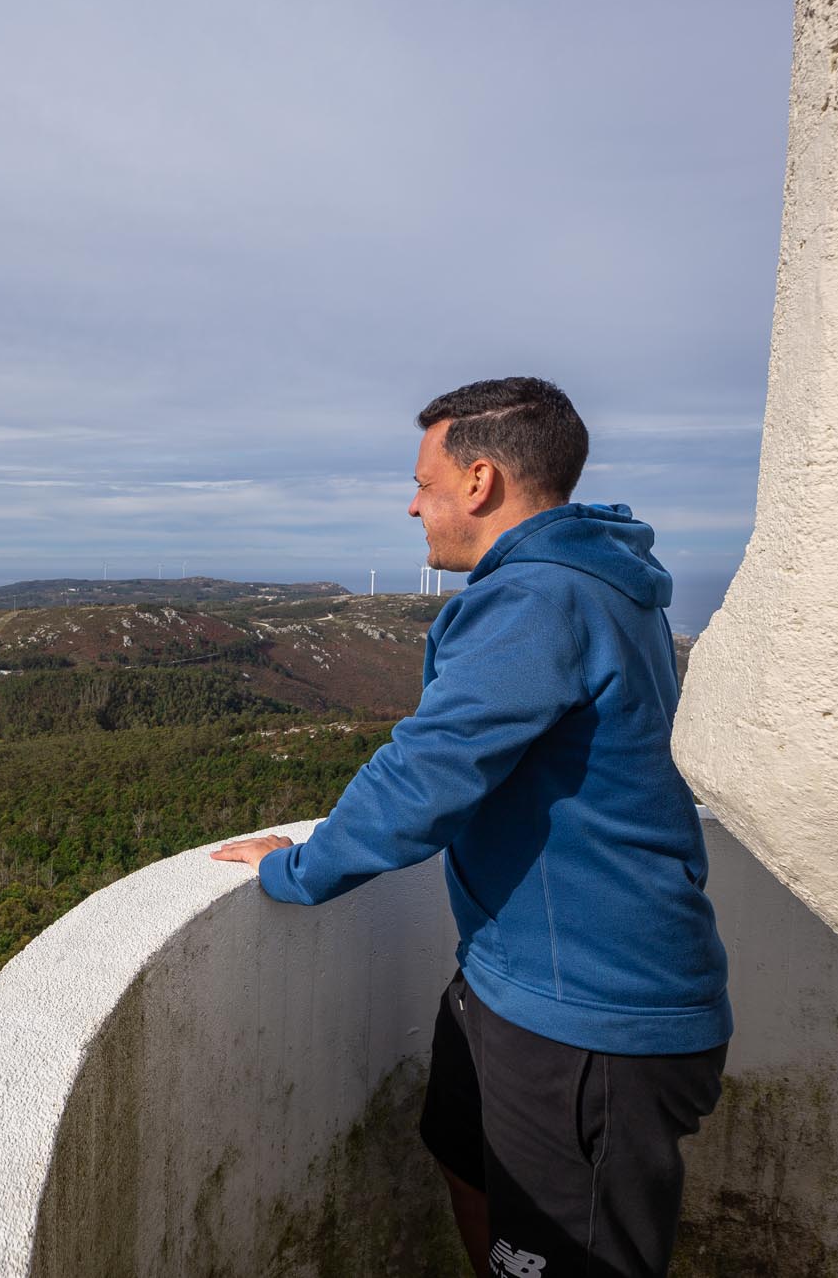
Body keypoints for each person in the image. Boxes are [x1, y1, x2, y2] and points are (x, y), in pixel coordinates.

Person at [212, 377, 730, 1278]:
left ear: (481, 480)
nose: (413, 503)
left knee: (567, 1261)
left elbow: (427, 773)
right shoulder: (598, 581)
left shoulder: (539, 596)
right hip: (515, 975)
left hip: (588, 1016)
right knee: (464, 1156)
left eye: (425, 481)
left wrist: (298, 869)